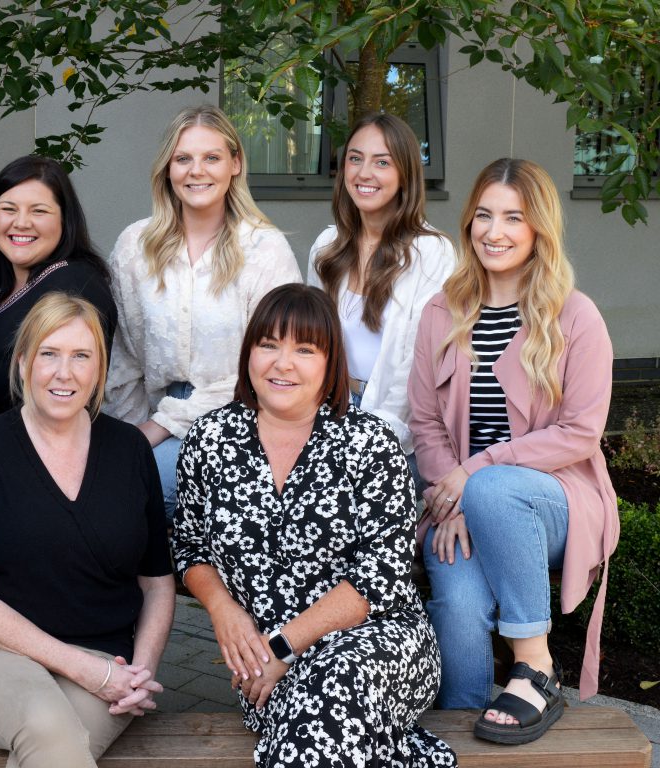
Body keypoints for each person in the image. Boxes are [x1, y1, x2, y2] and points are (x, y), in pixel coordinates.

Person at [172, 284, 456, 768]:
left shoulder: (369, 442)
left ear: (330, 365)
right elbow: (189, 543)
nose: (282, 363)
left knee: (331, 695)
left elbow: (379, 575)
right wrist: (223, 611)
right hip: (263, 664)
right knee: (314, 731)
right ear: (249, 354)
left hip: (379, 645)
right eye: (269, 344)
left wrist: (286, 644)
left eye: (304, 349)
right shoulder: (210, 438)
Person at [408, 158, 619, 744]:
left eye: (513, 218)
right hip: (459, 501)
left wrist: (474, 476)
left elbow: (580, 432)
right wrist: (452, 500)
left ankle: (536, 669)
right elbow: (425, 424)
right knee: (456, 599)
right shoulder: (440, 313)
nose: (493, 232)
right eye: (483, 216)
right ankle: (457, 732)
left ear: (538, 230)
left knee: (498, 487)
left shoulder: (575, 316)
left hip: (555, 500)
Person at [0, 292, 175, 767]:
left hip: (110, 660)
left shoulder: (130, 450)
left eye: (81, 356)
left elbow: (157, 584)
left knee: (58, 749)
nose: (64, 373)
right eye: (49, 353)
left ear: (99, 370)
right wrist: (85, 669)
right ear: (24, 361)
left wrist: (142, 670)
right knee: (49, 727)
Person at [106, 105, 301, 520]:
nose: (197, 171)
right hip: (151, 415)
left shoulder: (264, 250)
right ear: (167, 168)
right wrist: (130, 436)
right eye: (183, 159)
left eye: (211, 157)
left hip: (246, 417)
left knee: (132, 493)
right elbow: (124, 358)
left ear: (235, 164)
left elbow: (271, 368)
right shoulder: (134, 247)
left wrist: (160, 428)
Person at [308, 113, 454, 481]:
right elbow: (308, 343)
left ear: (405, 174)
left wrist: (373, 437)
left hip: (399, 426)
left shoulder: (431, 252)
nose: (364, 173)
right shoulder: (326, 246)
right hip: (329, 411)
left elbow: (419, 363)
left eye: (382, 162)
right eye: (355, 159)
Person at [0, 155, 117, 417]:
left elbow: (72, 395)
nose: (21, 222)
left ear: (64, 220)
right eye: (8, 209)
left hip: (31, 447)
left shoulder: (78, 288)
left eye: (39, 211)